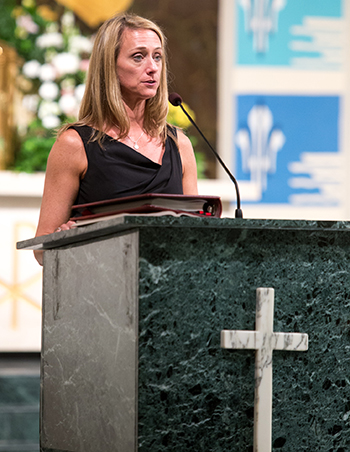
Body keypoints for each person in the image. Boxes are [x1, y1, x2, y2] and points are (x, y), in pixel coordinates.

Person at [34, 13, 198, 265]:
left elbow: (196, 234)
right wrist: (64, 241)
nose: (152, 67)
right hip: (102, 292)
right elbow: (42, 247)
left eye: (157, 56)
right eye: (138, 56)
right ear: (109, 65)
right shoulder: (75, 144)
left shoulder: (179, 144)